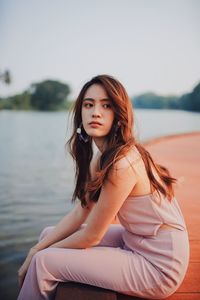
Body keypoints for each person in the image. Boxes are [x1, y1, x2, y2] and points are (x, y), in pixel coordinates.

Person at [17, 74, 189, 300]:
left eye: (106, 106)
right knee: (47, 235)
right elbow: (82, 210)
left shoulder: (122, 163)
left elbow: (92, 236)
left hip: (159, 265)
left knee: (44, 262)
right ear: (80, 112)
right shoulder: (101, 158)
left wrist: (38, 253)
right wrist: (37, 248)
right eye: (88, 105)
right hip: (136, 238)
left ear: (118, 114)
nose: (95, 112)